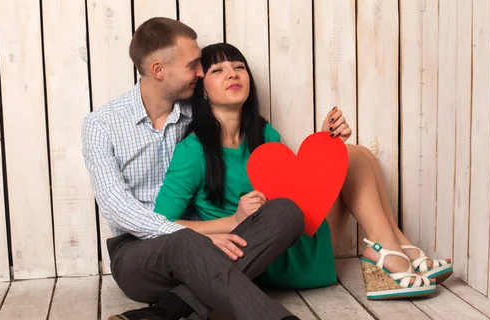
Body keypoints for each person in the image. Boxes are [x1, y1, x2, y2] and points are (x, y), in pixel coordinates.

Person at [82, 17, 361, 320]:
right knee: (183, 241)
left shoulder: (194, 118)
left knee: (288, 212)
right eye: (194, 65)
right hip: (138, 254)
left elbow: (265, 162)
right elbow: (118, 208)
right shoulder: (101, 125)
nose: (200, 72)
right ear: (158, 70)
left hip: (202, 255)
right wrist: (214, 230)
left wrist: (326, 141)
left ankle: (166, 312)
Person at [153, 42, 453, 301]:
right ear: (203, 91)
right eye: (218, 70)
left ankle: (398, 249)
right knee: (349, 156)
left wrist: (326, 147)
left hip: (296, 240)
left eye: (239, 67)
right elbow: (160, 223)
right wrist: (232, 221)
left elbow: (294, 189)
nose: (232, 73)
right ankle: (393, 258)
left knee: (354, 155)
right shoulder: (193, 151)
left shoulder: (263, 132)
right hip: (263, 257)